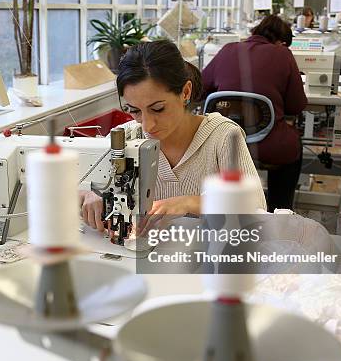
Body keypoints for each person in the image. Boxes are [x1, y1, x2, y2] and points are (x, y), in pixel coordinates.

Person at [80, 40, 266, 232]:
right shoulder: (127, 136)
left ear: (185, 92)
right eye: (134, 110)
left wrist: (190, 202)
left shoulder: (223, 136)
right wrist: (88, 195)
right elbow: (75, 190)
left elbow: (256, 209)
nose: (147, 124)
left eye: (158, 109)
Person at [202, 14, 307, 212]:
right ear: (282, 42)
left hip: (225, 143)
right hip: (267, 146)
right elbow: (296, 106)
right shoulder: (283, 54)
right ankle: (279, 211)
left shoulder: (228, 50)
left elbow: (200, 89)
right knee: (292, 146)